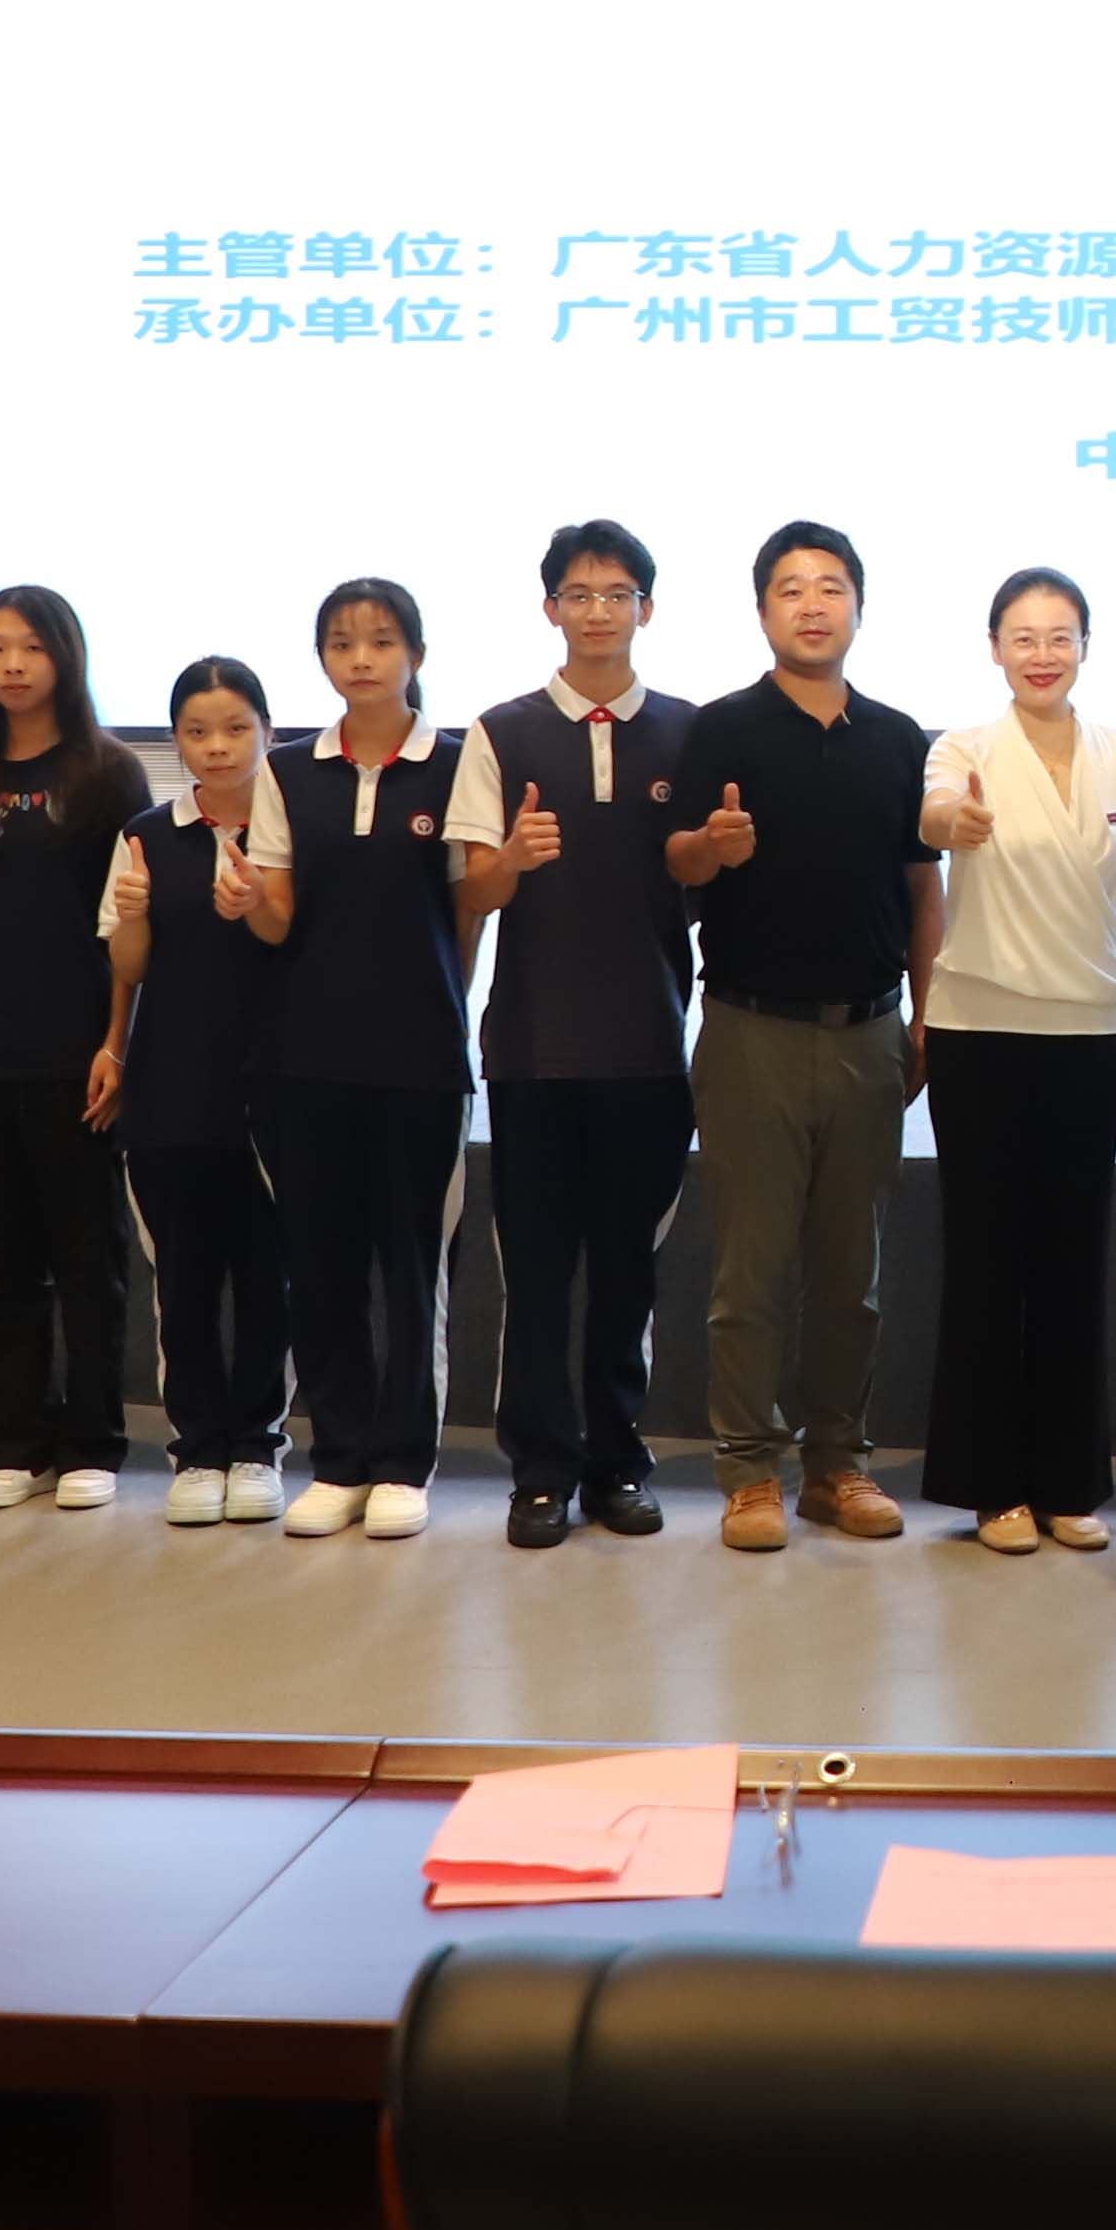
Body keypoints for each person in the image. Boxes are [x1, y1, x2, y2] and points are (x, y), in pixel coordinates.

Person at [665, 522, 942, 1552]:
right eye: (790, 587)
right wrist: (712, 844)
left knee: (849, 1274)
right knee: (749, 1272)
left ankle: (838, 1465)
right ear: (762, 611)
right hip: (752, 1031)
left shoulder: (900, 738)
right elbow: (680, 863)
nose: (812, 603)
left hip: (871, 1032)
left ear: (859, 607)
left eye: (831, 586)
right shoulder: (723, 728)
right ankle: (749, 1472)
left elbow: (923, 888)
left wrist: (927, 1014)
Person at [445, 523, 699, 1545]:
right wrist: (511, 858)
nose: (600, 610)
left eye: (619, 592)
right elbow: (472, 890)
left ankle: (617, 1464)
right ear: (550, 607)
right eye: (581, 593)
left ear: (647, 608)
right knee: (540, 1274)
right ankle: (541, 1470)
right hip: (534, 1049)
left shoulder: (689, 732)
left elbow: (702, 880)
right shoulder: (500, 732)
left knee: (628, 1273)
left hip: (648, 1045)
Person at [920, 566, 1116, 1555]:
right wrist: (957, 823)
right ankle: (991, 1489)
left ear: (1086, 646)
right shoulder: (964, 748)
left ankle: (1068, 1484)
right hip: (979, 1035)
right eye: (1023, 637)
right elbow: (935, 817)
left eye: (1061, 636)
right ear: (995, 649)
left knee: (1072, 1263)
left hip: (1087, 1035)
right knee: (987, 1264)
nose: (1043, 654)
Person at [235, 577, 470, 1542]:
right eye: (341, 642)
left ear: (415, 652)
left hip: (420, 1056)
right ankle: (338, 1458)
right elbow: (277, 916)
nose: (361, 658)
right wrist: (247, 901)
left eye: (380, 640)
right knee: (321, 1262)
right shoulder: (288, 770)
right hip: (305, 1056)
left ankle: (404, 1462)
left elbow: (467, 915)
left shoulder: (459, 763)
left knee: (412, 1268)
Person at [0, 585, 148, 1513]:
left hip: (74, 1048)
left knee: (87, 1257)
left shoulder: (107, 772)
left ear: (64, 657)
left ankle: (92, 1443)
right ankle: (13, 1444)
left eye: (31, 648)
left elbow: (130, 929)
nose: (11, 665)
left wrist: (117, 1044)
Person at [103, 657, 292, 1525]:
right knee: (182, 1279)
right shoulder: (147, 833)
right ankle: (198, 1449)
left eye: (236, 728)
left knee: (267, 1278)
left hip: (275, 1086)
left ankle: (256, 1446)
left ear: (267, 731)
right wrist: (134, 912)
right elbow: (129, 965)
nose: (217, 747)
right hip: (171, 1086)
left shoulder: (292, 829)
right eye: (197, 731)